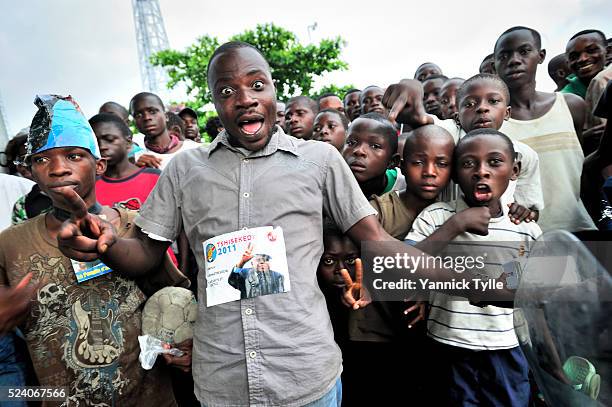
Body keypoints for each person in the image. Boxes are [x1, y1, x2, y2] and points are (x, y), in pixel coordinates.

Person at [55, 42, 510, 406]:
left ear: (274, 91)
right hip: (222, 382)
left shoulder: (319, 161)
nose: (246, 99)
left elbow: (373, 241)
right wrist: (108, 245)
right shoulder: (185, 170)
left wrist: (465, 278)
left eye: (257, 85)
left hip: (305, 376)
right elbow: (146, 253)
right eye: (228, 91)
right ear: (214, 102)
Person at [0, 94, 186, 406]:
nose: (58, 169)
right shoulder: (9, 244)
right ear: (30, 171)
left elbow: (175, 302)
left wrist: (181, 346)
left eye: (73, 156)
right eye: (42, 159)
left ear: (98, 165)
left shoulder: (136, 226)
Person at [406, 129, 543, 406]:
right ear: (456, 174)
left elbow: (537, 295)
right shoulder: (437, 217)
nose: (481, 172)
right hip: (448, 345)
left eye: (494, 162)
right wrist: (457, 224)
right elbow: (403, 263)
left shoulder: (527, 229)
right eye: (468, 163)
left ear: (514, 170)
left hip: (506, 349)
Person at [493, 26, 595, 233]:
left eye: (524, 51)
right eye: (504, 55)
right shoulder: (493, 124)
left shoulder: (571, 106)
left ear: (540, 56)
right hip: (521, 236)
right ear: (495, 65)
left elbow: (580, 170)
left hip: (579, 228)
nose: (513, 60)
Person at [131, 92, 200, 170]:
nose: (146, 118)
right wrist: (136, 172)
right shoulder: (135, 159)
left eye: (152, 112)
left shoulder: (195, 149)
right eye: (138, 115)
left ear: (166, 116)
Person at [342, 113, 401, 198]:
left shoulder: (405, 186)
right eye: (351, 143)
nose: (359, 151)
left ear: (392, 161)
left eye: (375, 146)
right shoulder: (329, 183)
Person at [562, 29, 608, 99]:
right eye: (574, 56)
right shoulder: (564, 100)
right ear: (568, 63)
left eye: (591, 50)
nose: (582, 59)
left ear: (607, 52)